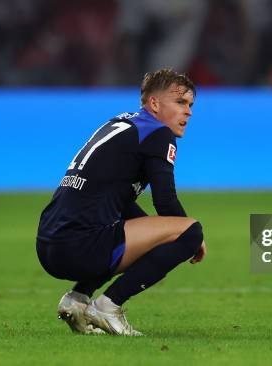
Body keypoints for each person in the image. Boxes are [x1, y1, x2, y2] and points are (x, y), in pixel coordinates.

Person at [36, 68, 206, 336]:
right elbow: (165, 201)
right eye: (180, 102)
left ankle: (78, 299)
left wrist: (156, 232)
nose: (189, 112)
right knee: (191, 231)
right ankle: (108, 305)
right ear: (154, 103)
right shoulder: (158, 133)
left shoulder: (123, 125)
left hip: (49, 243)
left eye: (191, 105)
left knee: (128, 228)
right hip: (80, 248)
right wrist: (190, 235)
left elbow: (123, 202)